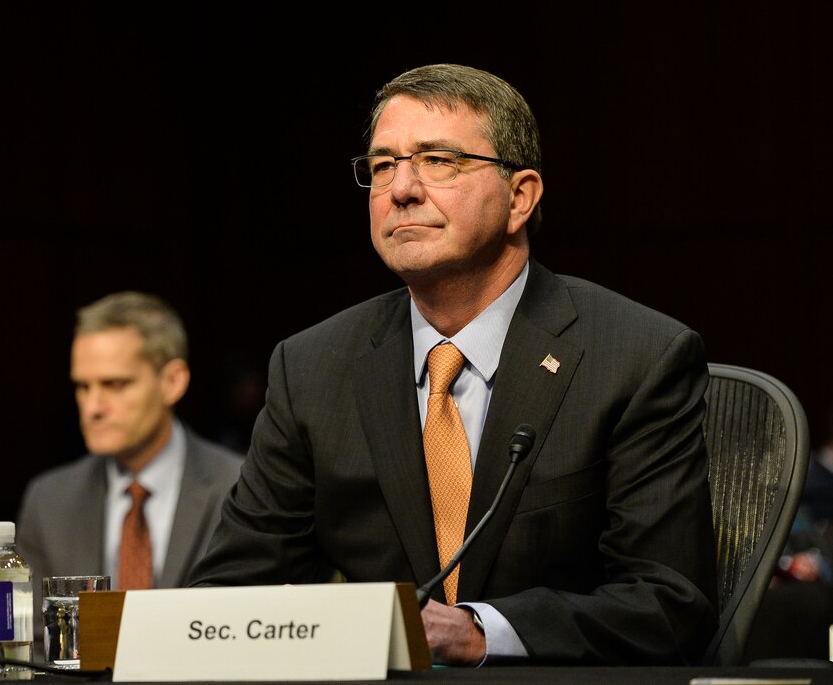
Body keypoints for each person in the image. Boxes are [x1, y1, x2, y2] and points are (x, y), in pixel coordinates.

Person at [188, 64, 718, 665]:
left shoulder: (635, 356)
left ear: (520, 197)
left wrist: (480, 631)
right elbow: (227, 597)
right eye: (383, 166)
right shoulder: (312, 367)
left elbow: (669, 606)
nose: (402, 189)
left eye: (438, 160)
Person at [16, 292, 243, 611]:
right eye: (83, 387)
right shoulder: (50, 502)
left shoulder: (238, 488)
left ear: (172, 382)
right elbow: (36, 645)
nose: (92, 407)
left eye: (114, 384)